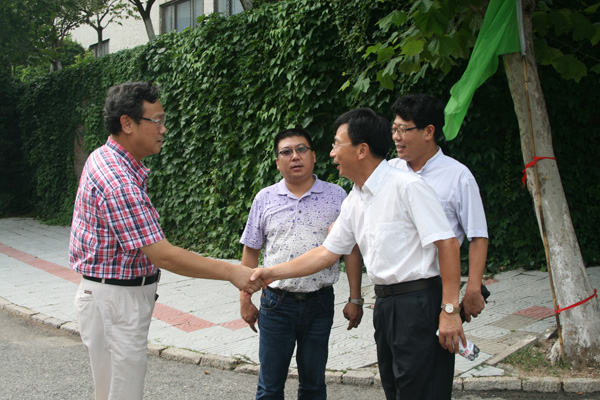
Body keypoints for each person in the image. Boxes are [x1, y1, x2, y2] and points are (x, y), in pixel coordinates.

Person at [69, 81, 265, 400]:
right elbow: (163, 255)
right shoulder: (118, 180)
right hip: (116, 303)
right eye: (157, 120)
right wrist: (232, 272)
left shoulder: (106, 158)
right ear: (127, 123)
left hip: (112, 297)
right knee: (122, 394)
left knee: (113, 392)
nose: (163, 129)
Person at [251, 108, 465, 400]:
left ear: (362, 150)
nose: (331, 153)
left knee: (422, 392)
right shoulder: (355, 198)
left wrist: (450, 310)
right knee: (396, 388)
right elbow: (326, 253)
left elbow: (448, 244)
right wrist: (270, 273)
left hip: (419, 303)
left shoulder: (407, 186)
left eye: (337, 144)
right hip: (386, 305)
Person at [239, 128, 363, 400]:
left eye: (301, 149)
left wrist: (355, 299)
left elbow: (351, 251)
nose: (295, 157)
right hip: (276, 304)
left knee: (314, 386)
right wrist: (245, 299)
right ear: (277, 162)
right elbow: (251, 250)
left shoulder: (337, 196)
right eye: (286, 152)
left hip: (320, 304)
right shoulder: (264, 198)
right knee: (269, 387)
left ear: (314, 156)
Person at [389, 94, 489, 322]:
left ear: (428, 132)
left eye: (403, 130)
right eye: (394, 129)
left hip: (436, 289)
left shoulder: (458, 176)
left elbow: (477, 235)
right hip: (393, 291)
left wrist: (473, 288)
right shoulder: (390, 171)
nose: (396, 137)